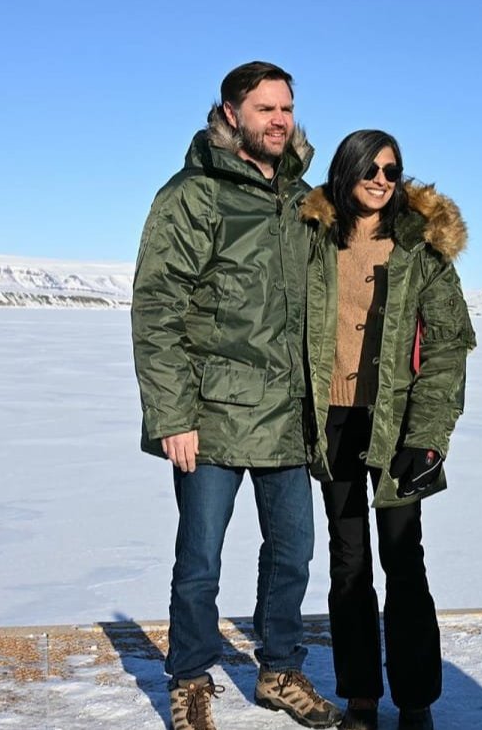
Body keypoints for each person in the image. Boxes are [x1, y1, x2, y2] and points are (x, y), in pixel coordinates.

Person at [131, 61, 342, 730]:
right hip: (210, 417)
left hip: (285, 414)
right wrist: (172, 415)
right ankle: (190, 679)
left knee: (293, 552)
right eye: (265, 109)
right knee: (199, 560)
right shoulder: (191, 195)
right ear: (230, 114)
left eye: (287, 108)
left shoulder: (304, 198)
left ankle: (280, 669)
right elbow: (158, 306)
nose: (279, 120)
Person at [299, 130, 476, 730]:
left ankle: (416, 700)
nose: (381, 179)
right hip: (333, 423)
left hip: (399, 427)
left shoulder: (420, 249)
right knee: (348, 562)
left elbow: (449, 347)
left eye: (392, 170)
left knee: (404, 560)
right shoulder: (313, 240)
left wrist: (428, 437)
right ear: (345, 171)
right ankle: (361, 698)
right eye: (369, 168)